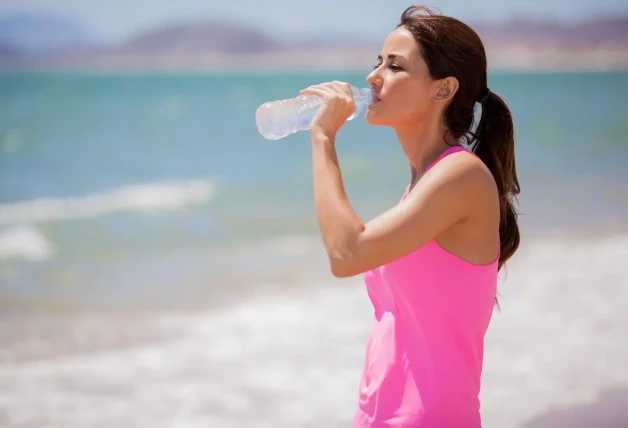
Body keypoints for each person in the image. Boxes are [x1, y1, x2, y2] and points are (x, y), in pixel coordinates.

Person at [298, 4, 521, 428]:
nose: (373, 77)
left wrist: (323, 138)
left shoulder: (461, 175)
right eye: (377, 62)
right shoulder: (422, 186)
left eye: (395, 66)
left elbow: (347, 254)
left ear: (443, 89)